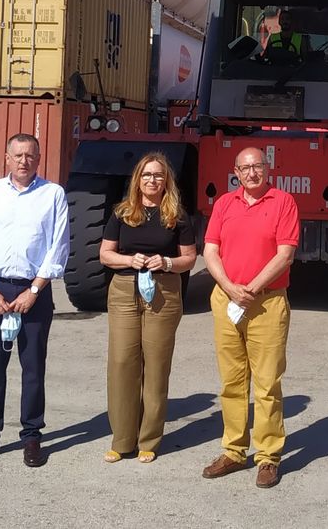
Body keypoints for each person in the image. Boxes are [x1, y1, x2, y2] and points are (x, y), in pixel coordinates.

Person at [0, 133, 69, 468]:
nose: (24, 161)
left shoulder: (53, 195)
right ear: (7, 157)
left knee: (33, 368)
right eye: (18, 155)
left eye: (31, 156)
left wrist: (34, 290)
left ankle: (32, 435)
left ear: (39, 158)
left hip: (34, 292)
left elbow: (58, 245)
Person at [199, 147, 299, 488]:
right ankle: (234, 450)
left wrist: (251, 288)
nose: (252, 173)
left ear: (267, 168)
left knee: (267, 383)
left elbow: (285, 255)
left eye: (257, 166)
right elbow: (210, 250)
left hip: (266, 302)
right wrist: (228, 286)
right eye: (245, 168)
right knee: (231, 381)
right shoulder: (225, 203)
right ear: (236, 173)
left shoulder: (283, 202)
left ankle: (269, 456)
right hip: (226, 300)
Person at [97, 153, 199, 463]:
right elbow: (105, 254)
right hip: (125, 289)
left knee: (155, 366)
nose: (152, 180)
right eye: (146, 175)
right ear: (137, 180)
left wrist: (167, 262)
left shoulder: (177, 216)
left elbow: (189, 259)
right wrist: (129, 260)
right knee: (123, 362)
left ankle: (149, 440)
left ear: (166, 180)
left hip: (163, 292)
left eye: (158, 175)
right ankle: (122, 439)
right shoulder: (122, 213)